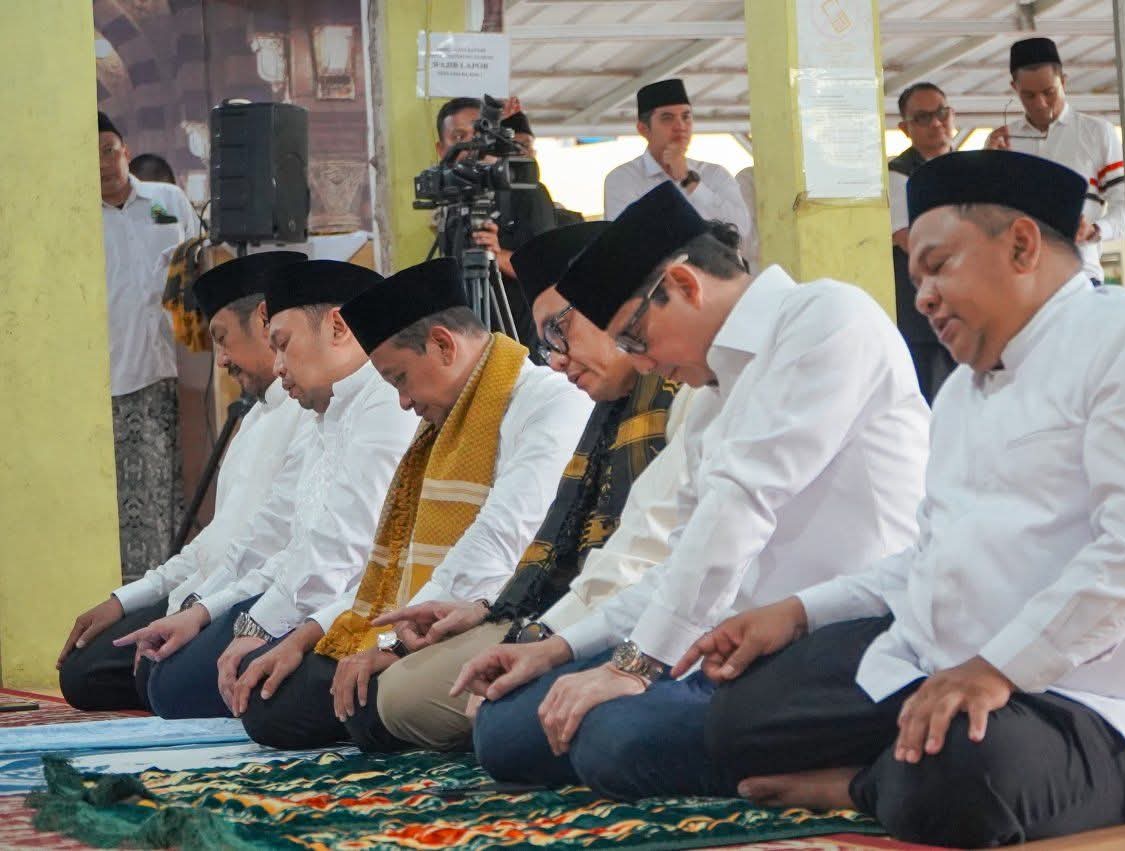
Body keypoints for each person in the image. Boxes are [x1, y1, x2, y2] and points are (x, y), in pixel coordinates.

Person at [687, 150, 1125, 848]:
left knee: (958, 774)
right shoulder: (960, 393)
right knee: (742, 718)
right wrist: (799, 612)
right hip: (951, 671)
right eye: (916, 277)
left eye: (938, 266)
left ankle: (864, 784)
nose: (922, 296)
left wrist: (997, 668)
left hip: (1105, 710)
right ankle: (895, 766)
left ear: (1021, 246)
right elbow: (928, 556)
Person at [459, 183, 931, 800]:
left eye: (634, 339)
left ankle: (850, 771)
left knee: (613, 738)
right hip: (735, 644)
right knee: (509, 725)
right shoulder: (711, 393)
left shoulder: (825, 319)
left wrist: (634, 667)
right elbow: (681, 560)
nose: (642, 364)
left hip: (841, 630)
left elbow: (741, 508)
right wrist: (560, 648)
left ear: (683, 285)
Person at [229, 258, 591, 750]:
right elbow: (393, 569)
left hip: (506, 610)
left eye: (400, 378)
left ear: (442, 345)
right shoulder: (438, 430)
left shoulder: (550, 402)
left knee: (367, 705)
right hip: (442, 612)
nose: (402, 402)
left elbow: (497, 540)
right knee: (275, 700)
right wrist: (305, 635)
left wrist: (394, 645)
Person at [351, 223, 682, 752]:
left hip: (646, 624)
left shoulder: (612, 396)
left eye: (560, 331)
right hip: (575, 611)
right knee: (379, 702)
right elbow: (568, 550)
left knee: (489, 724)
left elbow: (644, 561)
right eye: (546, 341)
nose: (556, 358)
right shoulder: (609, 404)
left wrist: (547, 641)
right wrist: (491, 611)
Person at [115, 260, 420, 718]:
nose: (278, 367)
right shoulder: (322, 414)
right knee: (166, 678)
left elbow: (341, 550)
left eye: (284, 345)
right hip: (306, 599)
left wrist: (259, 625)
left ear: (337, 327)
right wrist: (204, 611)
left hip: (358, 610)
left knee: (219, 694)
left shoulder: (384, 406)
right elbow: (283, 544)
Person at [57, 251, 309, 711]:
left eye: (223, 340)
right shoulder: (255, 418)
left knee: (160, 681)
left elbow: (270, 547)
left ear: (264, 320)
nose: (222, 360)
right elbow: (216, 541)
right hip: (210, 591)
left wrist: (196, 607)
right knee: (82, 670)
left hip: (254, 597)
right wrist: (124, 600)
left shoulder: (309, 412)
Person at [98, 111, 200, 582]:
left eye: (108, 151)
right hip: (113, 376)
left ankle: (170, 584)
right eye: (92, 156)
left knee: (173, 488)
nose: (103, 164)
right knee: (126, 496)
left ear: (126, 151)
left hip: (173, 370)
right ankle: (136, 590)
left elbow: (196, 257)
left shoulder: (164, 203)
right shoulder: (81, 220)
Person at [986, 38, 1125, 285]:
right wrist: (989, 167)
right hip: (1020, 280)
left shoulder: (1097, 133)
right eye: (1028, 95)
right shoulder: (1003, 140)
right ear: (1014, 87)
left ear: (1064, 81)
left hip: (1079, 276)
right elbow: (986, 218)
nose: (1040, 103)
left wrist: (1096, 230)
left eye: (1049, 92)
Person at [434, 97, 557, 348]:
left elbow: (547, 272)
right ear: (441, 149)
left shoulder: (526, 191)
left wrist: (497, 255)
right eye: (459, 137)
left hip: (522, 341)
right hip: (470, 339)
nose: (471, 146)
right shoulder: (451, 201)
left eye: (478, 134)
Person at [603, 79, 753, 245]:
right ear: (643, 129)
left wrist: (688, 180)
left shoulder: (714, 174)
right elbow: (625, 239)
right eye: (667, 118)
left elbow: (739, 229)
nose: (680, 126)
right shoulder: (623, 179)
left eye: (686, 117)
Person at [889, 82, 957, 404]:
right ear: (905, 128)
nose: (936, 123)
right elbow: (908, 238)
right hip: (920, 314)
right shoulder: (898, 175)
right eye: (923, 118)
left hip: (966, 303)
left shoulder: (968, 167)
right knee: (929, 397)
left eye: (941, 113)